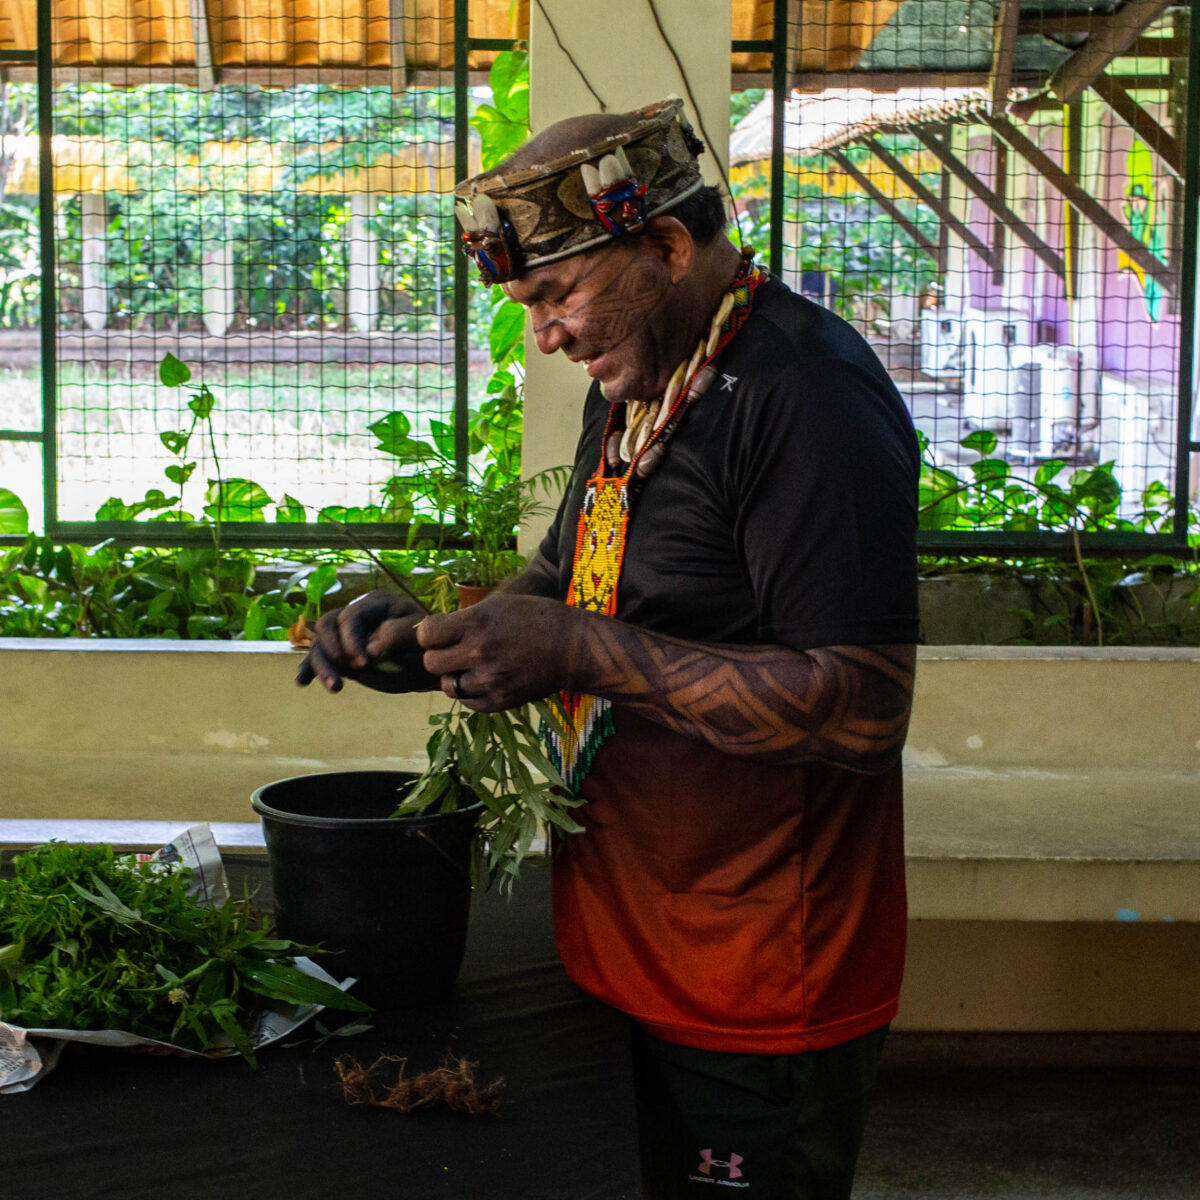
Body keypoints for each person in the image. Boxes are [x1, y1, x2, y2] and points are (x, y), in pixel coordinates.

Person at [297, 98, 919, 1200]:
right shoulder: (639, 384)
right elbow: (566, 578)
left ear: (668, 248)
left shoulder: (806, 398)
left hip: (761, 978)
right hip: (626, 943)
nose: (543, 332)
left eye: (555, 295)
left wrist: (583, 653)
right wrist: (426, 638)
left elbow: (863, 708)